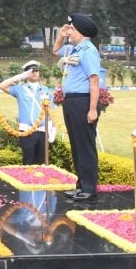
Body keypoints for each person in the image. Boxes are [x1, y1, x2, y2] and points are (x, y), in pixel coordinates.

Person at [52, 13, 102, 203]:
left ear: (81, 31)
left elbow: (94, 80)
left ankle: (89, 189)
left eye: (72, 29)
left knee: (85, 145)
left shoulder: (88, 50)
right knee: (76, 144)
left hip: (83, 100)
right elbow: (56, 50)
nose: (69, 32)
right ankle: (81, 186)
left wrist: (92, 109)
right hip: (71, 100)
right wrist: (61, 35)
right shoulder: (73, 49)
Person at [0, 60, 53, 165]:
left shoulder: (46, 90)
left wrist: (52, 129)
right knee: (28, 163)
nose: (34, 73)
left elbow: (51, 112)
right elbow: (1, 85)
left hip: (43, 131)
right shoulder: (20, 89)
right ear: (26, 74)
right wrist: (20, 77)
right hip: (27, 130)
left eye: (36, 70)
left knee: (42, 163)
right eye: (31, 71)